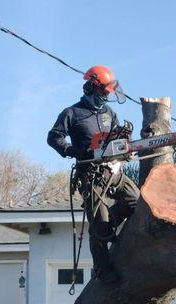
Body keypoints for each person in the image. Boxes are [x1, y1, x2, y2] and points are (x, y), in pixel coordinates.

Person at [47, 65, 140, 281]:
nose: (105, 99)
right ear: (90, 87)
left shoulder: (110, 113)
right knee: (99, 224)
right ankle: (102, 269)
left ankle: (111, 224)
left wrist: (123, 153)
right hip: (90, 174)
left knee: (137, 202)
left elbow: (118, 140)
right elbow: (54, 138)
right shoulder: (72, 113)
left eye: (107, 95)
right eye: (102, 94)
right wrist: (74, 151)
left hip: (113, 170)